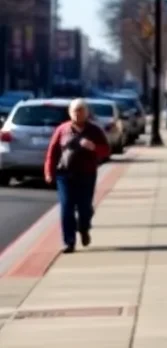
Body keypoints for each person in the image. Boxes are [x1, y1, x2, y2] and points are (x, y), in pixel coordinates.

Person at [44, 98, 111, 254]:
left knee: (84, 208)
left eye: (81, 110)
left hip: (86, 174)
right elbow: (52, 152)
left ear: (86, 113)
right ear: (70, 113)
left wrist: (93, 147)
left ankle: (84, 228)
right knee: (66, 207)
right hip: (65, 174)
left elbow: (106, 151)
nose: (78, 114)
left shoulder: (94, 131)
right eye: (75, 110)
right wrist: (49, 172)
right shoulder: (62, 130)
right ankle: (69, 242)